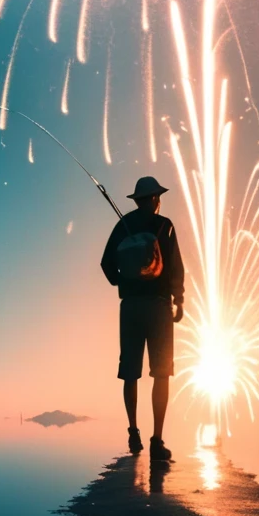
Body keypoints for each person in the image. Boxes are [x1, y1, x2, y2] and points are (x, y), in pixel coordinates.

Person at [100, 175, 184, 462]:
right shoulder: (165, 226)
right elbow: (175, 266)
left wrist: (122, 282)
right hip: (159, 307)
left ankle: (133, 431)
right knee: (161, 372)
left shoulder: (123, 226)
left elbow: (106, 263)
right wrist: (179, 299)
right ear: (156, 199)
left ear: (138, 200)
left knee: (130, 372)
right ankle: (157, 440)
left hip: (131, 306)